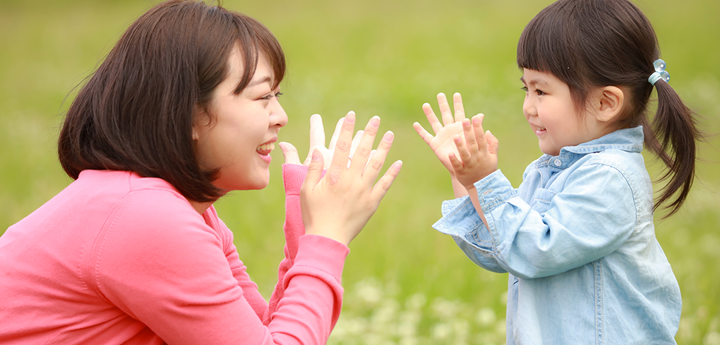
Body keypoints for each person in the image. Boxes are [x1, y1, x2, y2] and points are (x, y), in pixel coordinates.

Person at [0, 1, 402, 344]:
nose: (280, 117)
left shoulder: (184, 211)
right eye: (262, 97)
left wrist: (306, 228)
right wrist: (327, 236)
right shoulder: (145, 217)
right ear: (188, 113)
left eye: (277, 96)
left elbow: (264, 332)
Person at [414, 0, 698, 343]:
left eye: (541, 91)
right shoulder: (548, 171)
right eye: (526, 89)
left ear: (605, 103)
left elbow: (534, 249)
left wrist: (486, 181)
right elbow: (501, 250)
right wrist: (466, 178)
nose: (528, 107)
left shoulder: (611, 177)